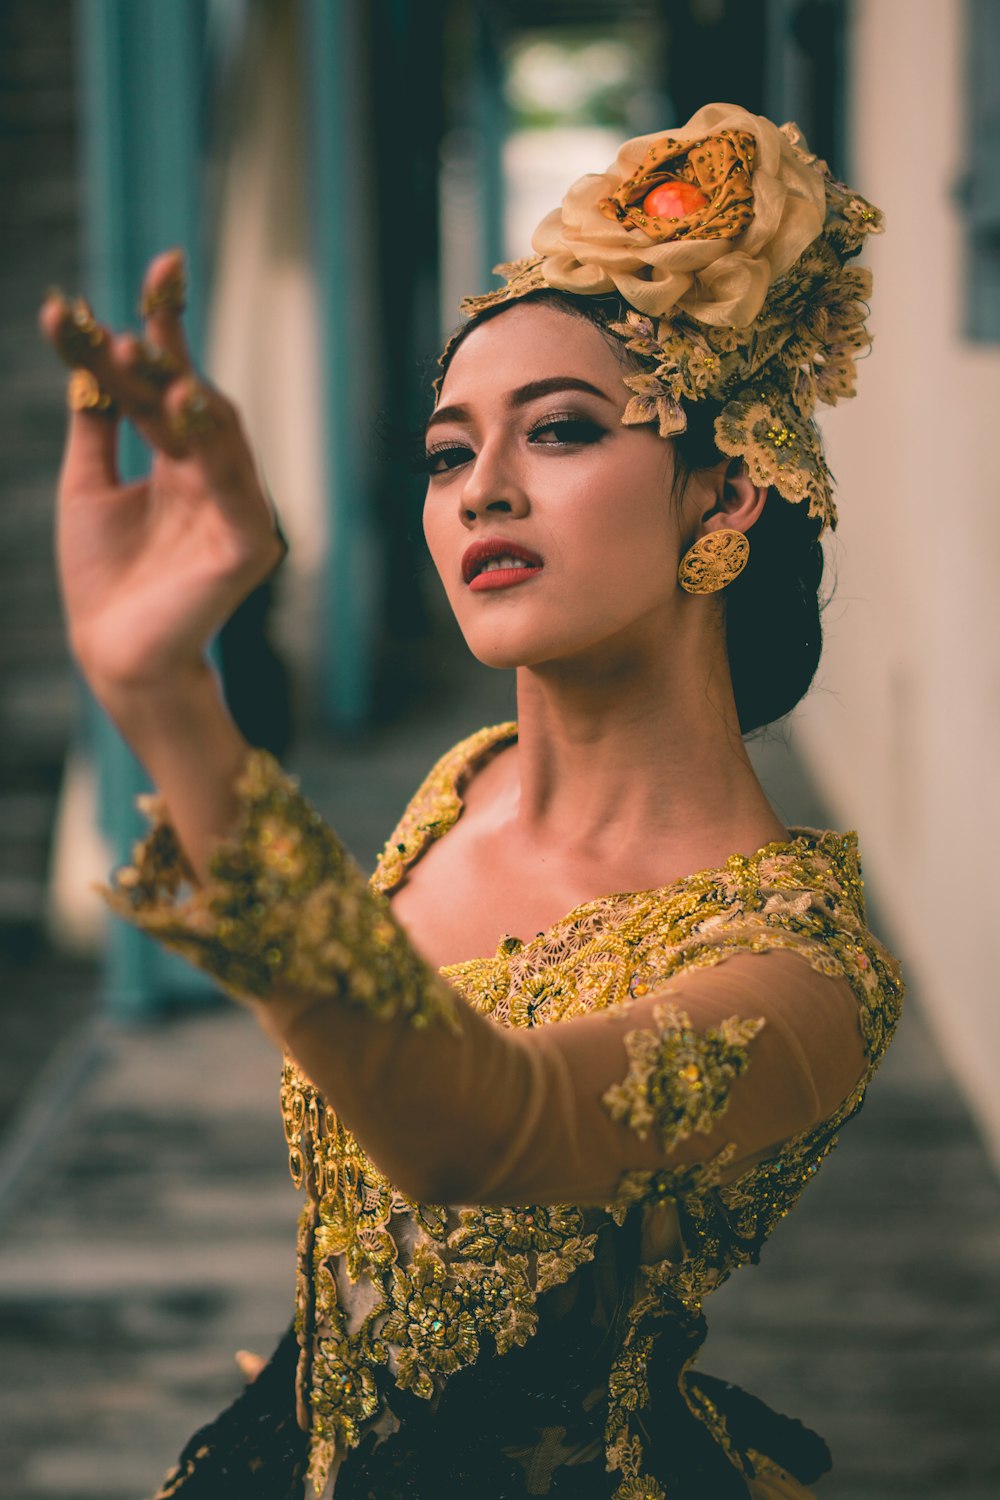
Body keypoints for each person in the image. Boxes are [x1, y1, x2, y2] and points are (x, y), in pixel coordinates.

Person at [40, 102, 902, 1500]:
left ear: (726, 494)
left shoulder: (803, 978)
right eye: (446, 455)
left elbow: (475, 1133)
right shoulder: (464, 786)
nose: (481, 491)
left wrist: (165, 703)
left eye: (558, 432)